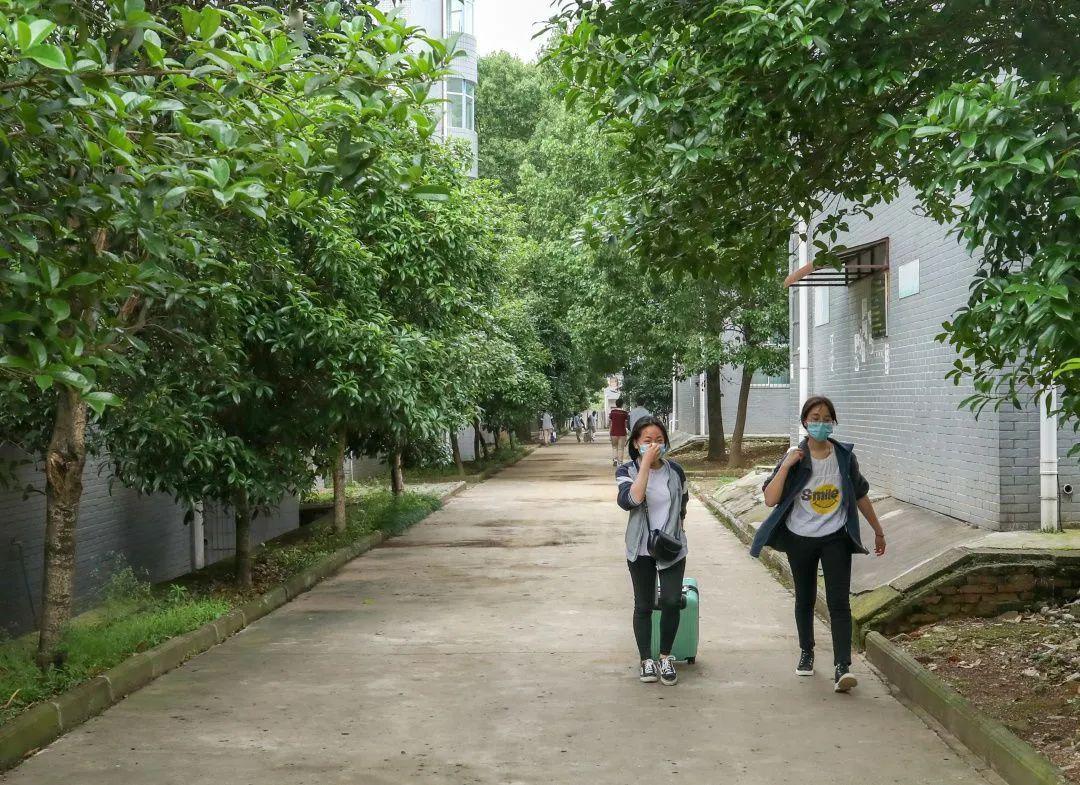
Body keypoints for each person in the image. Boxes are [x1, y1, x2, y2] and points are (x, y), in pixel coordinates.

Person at [750, 395, 886, 694]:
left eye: (826, 419)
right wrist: (786, 465)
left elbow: (861, 495)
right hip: (800, 538)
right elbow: (771, 499)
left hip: (835, 537)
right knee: (805, 598)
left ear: (833, 423)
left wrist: (877, 530)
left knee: (839, 602)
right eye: (815, 418)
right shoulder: (795, 457)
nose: (821, 423)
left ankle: (842, 666)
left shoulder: (844, 458)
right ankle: (807, 652)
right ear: (804, 422)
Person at [615, 416, 689, 686]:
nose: (654, 445)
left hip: (670, 546)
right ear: (636, 443)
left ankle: (666, 656)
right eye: (647, 441)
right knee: (643, 605)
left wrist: (678, 527)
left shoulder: (676, 471)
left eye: (659, 440)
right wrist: (645, 464)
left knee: (671, 601)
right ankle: (646, 659)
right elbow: (630, 500)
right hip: (640, 548)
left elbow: (683, 501)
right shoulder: (625, 471)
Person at [609, 399, 629, 466]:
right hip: (622, 432)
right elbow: (626, 423)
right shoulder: (625, 413)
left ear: (616, 404)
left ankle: (615, 460)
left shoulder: (612, 412)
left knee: (614, 447)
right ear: (622, 404)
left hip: (613, 432)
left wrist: (610, 432)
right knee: (621, 448)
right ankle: (620, 462)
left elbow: (610, 422)